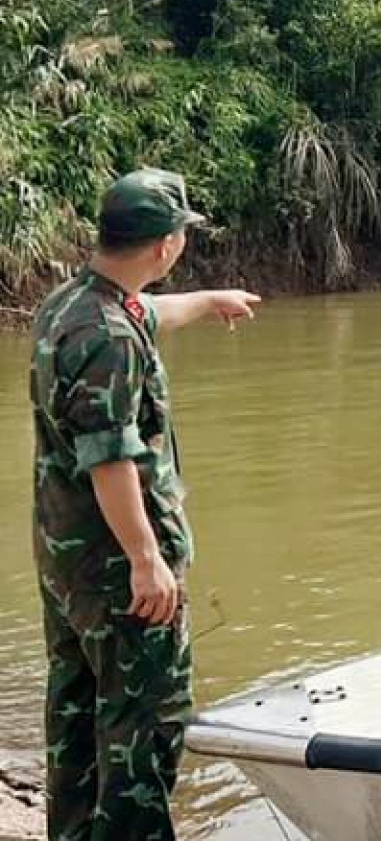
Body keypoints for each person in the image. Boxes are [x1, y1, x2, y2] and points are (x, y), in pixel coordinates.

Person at [30, 169, 260, 841]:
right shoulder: (109, 338)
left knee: (76, 722)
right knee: (141, 734)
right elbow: (110, 458)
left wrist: (209, 299)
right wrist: (145, 559)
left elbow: (150, 311)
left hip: (67, 563)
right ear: (165, 246)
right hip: (120, 575)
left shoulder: (69, 305)